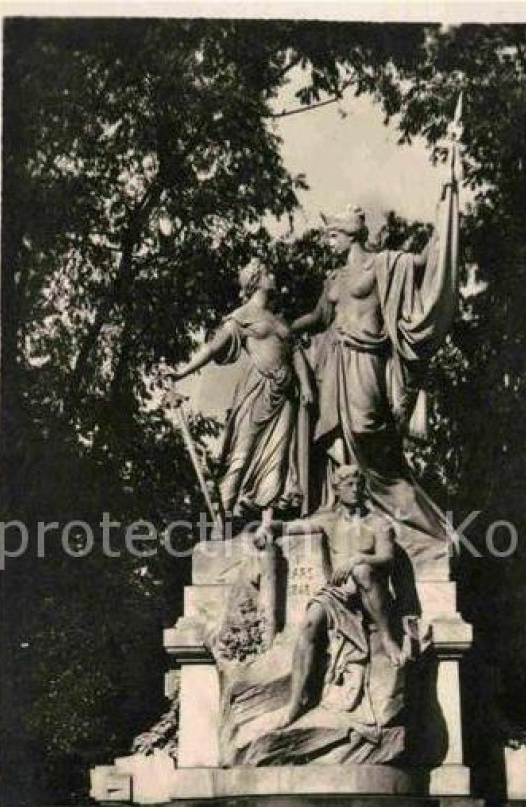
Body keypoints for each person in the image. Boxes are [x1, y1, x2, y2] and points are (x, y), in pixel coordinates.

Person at [290, 146, 462, 571]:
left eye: (334, 231)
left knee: (370, 438)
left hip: (368, 361)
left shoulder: (385, 263)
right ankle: (344, 510)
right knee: (337, 444)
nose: (328, 237)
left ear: (352, 232)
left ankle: (432, 528)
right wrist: (285, 330)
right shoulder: (333, 277)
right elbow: (318, 316)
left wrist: (446, 205)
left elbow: (425, 262)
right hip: (335, 364)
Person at [254, 464, 402, 727]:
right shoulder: (328, 521)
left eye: (359, 485)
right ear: (337, 490)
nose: (355, 489)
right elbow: (288, 527)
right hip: (338, 594)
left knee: (363, 570)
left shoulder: (378, 523)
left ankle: (388, 639)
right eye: (348, 485)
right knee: (310, 623)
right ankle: (296, 703)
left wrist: (357, 558)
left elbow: (388, 558)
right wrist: (266, 527)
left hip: (372, 592)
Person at [165, 258, 314, 516]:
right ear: (256, 281)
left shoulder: (278, 318)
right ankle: (222, 511)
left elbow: (296, 351)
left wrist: (307, 385)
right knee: (242, 452)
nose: (273, 276)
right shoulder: (241, 316)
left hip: (286, 394)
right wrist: (181, 372)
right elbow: (213, 348)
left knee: (277, 457)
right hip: (258, 390)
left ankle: (267, 521)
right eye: (268, 272)